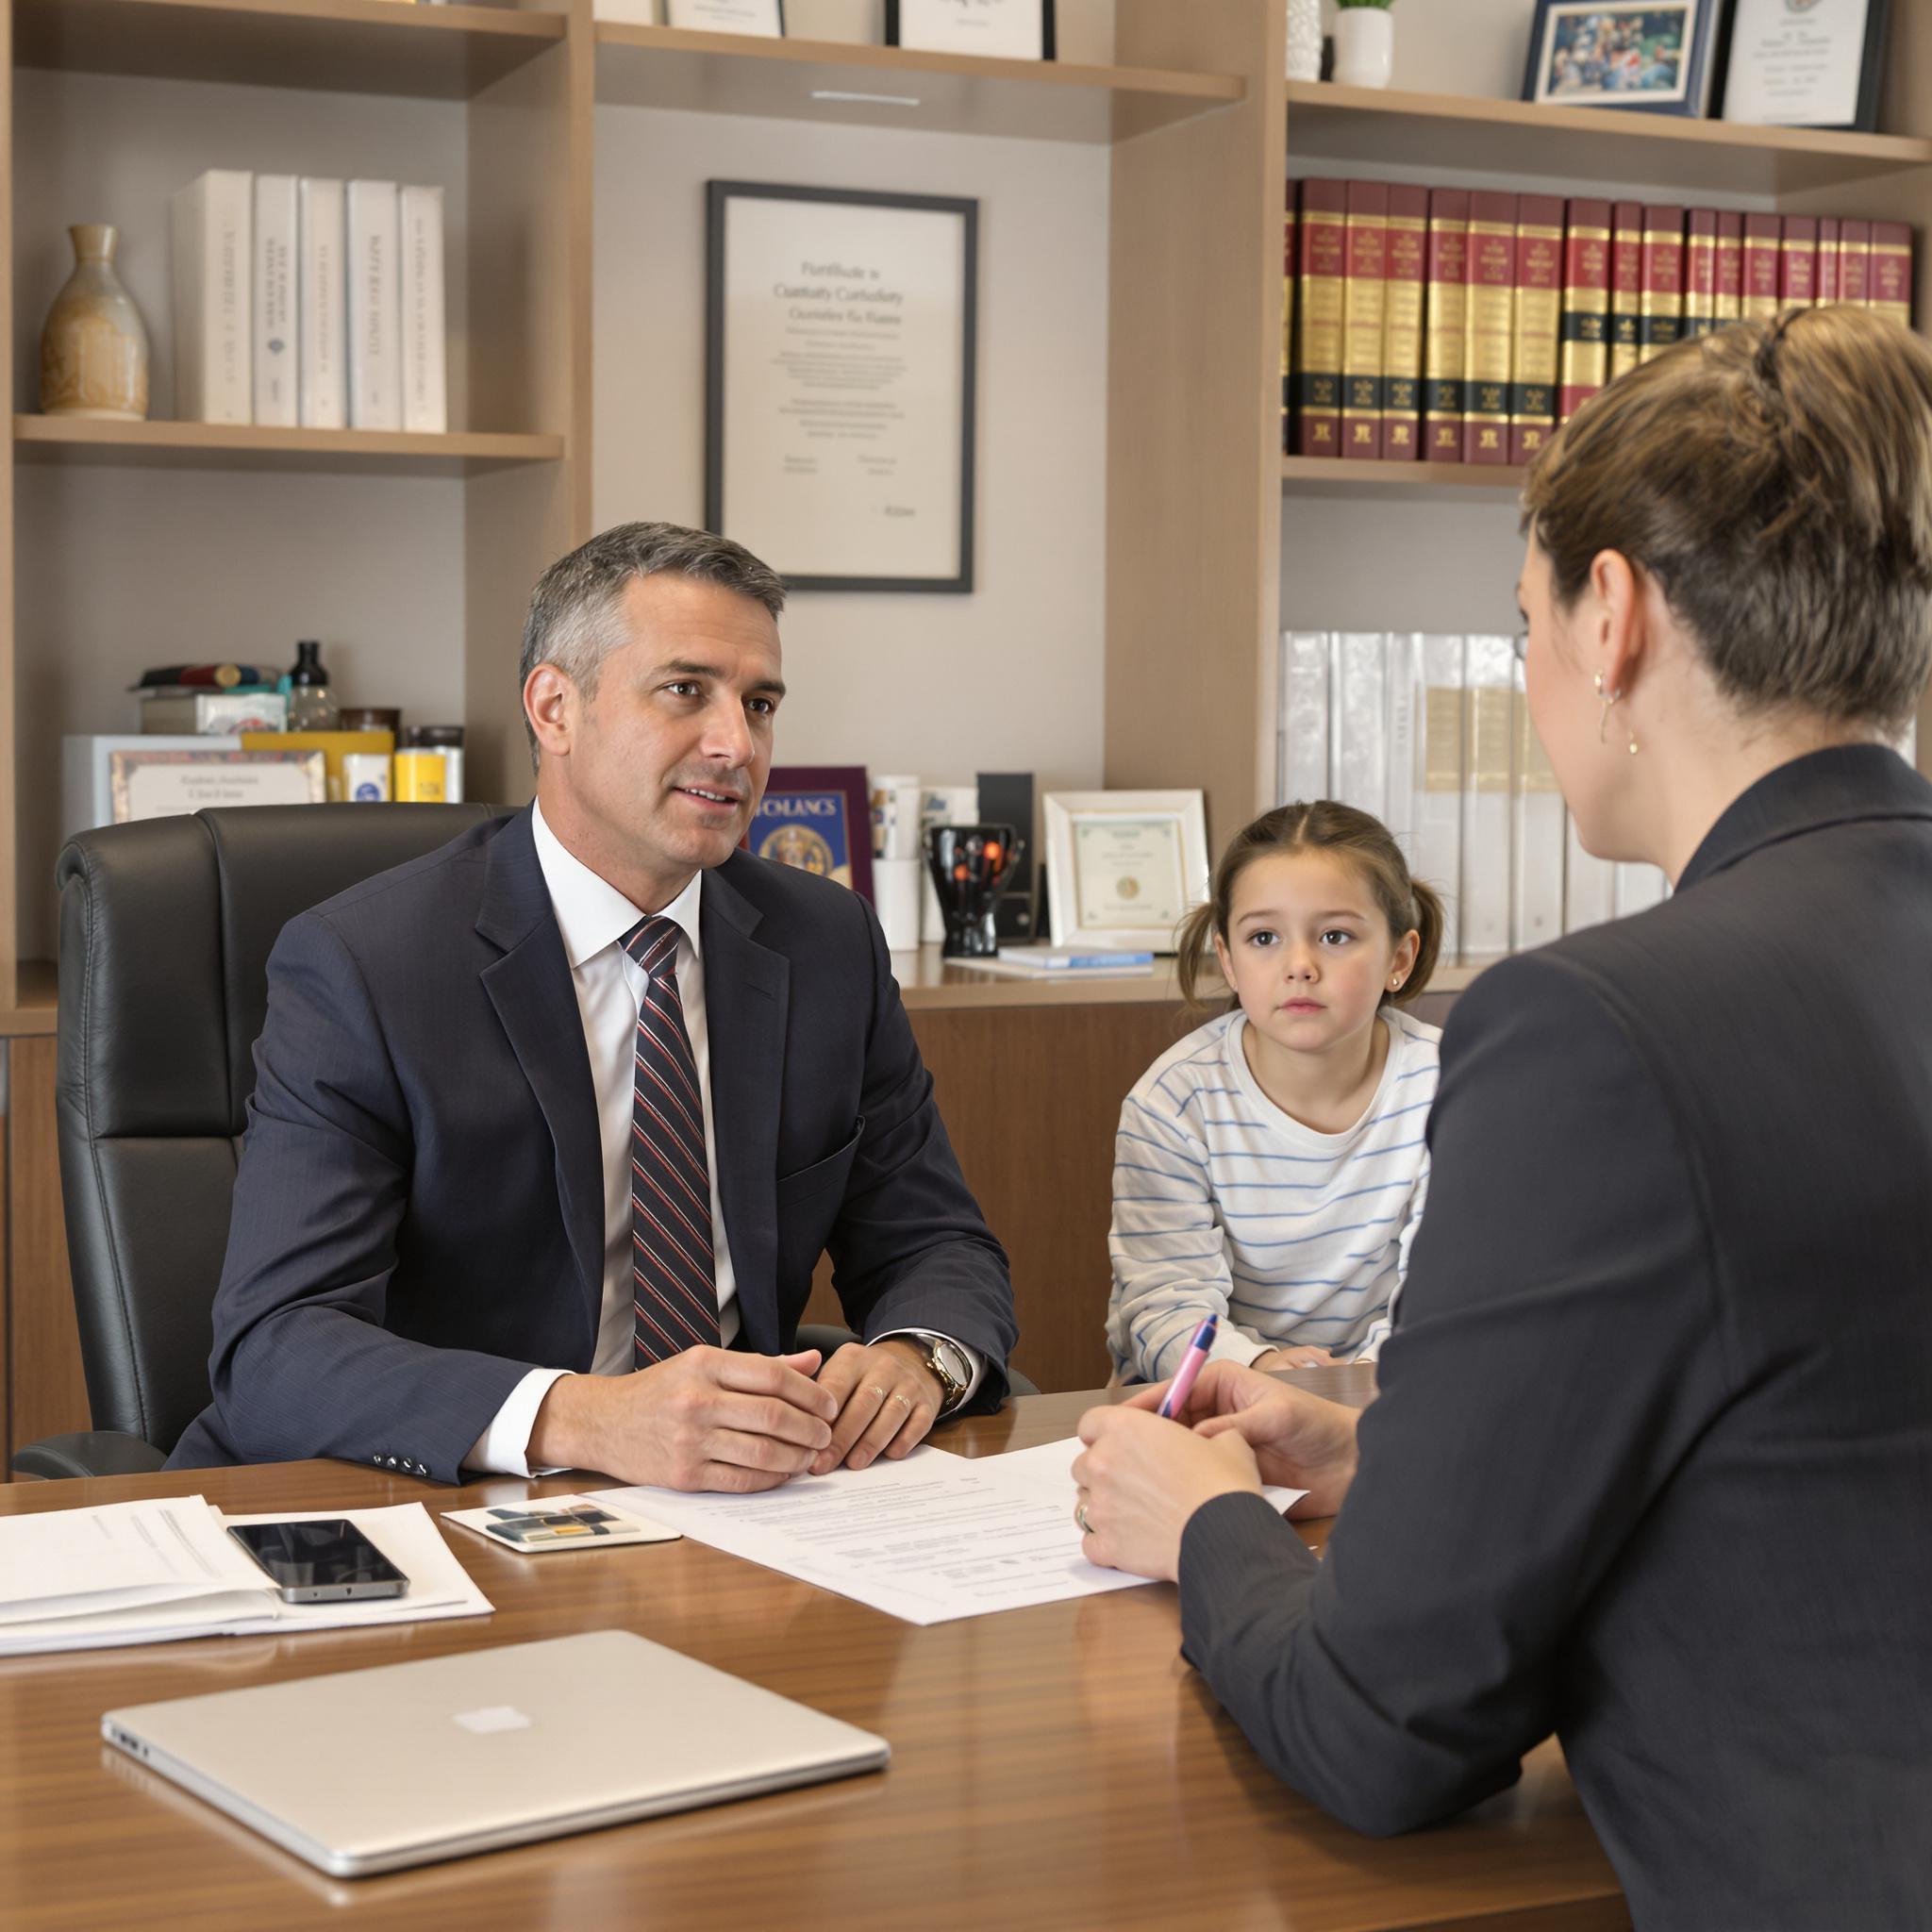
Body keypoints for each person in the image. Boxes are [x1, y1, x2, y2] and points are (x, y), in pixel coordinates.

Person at [1072, 305, 1932, 1929]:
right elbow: (1798, 1440)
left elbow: (1388, 1727)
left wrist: (1202, 1532)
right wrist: (1387, 1445)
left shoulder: (1591, 1026)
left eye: (1519, 618)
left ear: (1606, 615)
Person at [170, 522, 1017, 1490]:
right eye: (684, 690)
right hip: (438, 1501)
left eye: (761, 701)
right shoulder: (367, 964)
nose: (735, 742)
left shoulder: (825, 943)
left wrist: (917, 1359)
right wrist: (584, 1418)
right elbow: (276, 1345)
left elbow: (936, 1240)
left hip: (746, 1514)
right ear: (554, 708)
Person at [1106, 802, 1442, 1382]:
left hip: (1392, 1401)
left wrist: (1355, 1389)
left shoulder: (1452, 1086)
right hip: (1209, 1404)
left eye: (1335, 935)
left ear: (1400, 958)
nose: (1300, 965)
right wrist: (1257, 1369)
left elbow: (1449, 1296)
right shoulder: (1173, 1101)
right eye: (1264, 937)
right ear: (1229, 962)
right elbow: (1163, 1302)